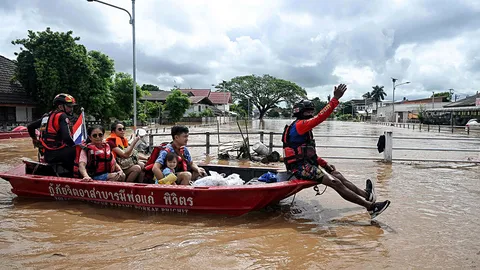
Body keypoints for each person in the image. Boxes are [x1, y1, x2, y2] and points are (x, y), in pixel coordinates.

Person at [281, 84, 390, 219]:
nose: (310, 114)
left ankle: (366, 195)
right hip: (299, 168)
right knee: (334, 182)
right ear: (299, 113)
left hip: (307, 164)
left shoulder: (304, 128)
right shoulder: (300, 126)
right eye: (307, 112)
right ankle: (371, 208)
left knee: (337, 175)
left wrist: (325, 164)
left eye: (311, 111)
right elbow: (320, 117)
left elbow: (308, 154)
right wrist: (335, 99)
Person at [27, 93, 77, 172]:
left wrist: (34, 139)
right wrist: (77, 146)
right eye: (69, 106)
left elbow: (30, 126)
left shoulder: (47, 116)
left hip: (47, 154)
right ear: (60, 106)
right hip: (59, 154)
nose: (71, 109)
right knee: (79, 150)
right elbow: (67, 138)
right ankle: (75, 174)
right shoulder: (62, 116)